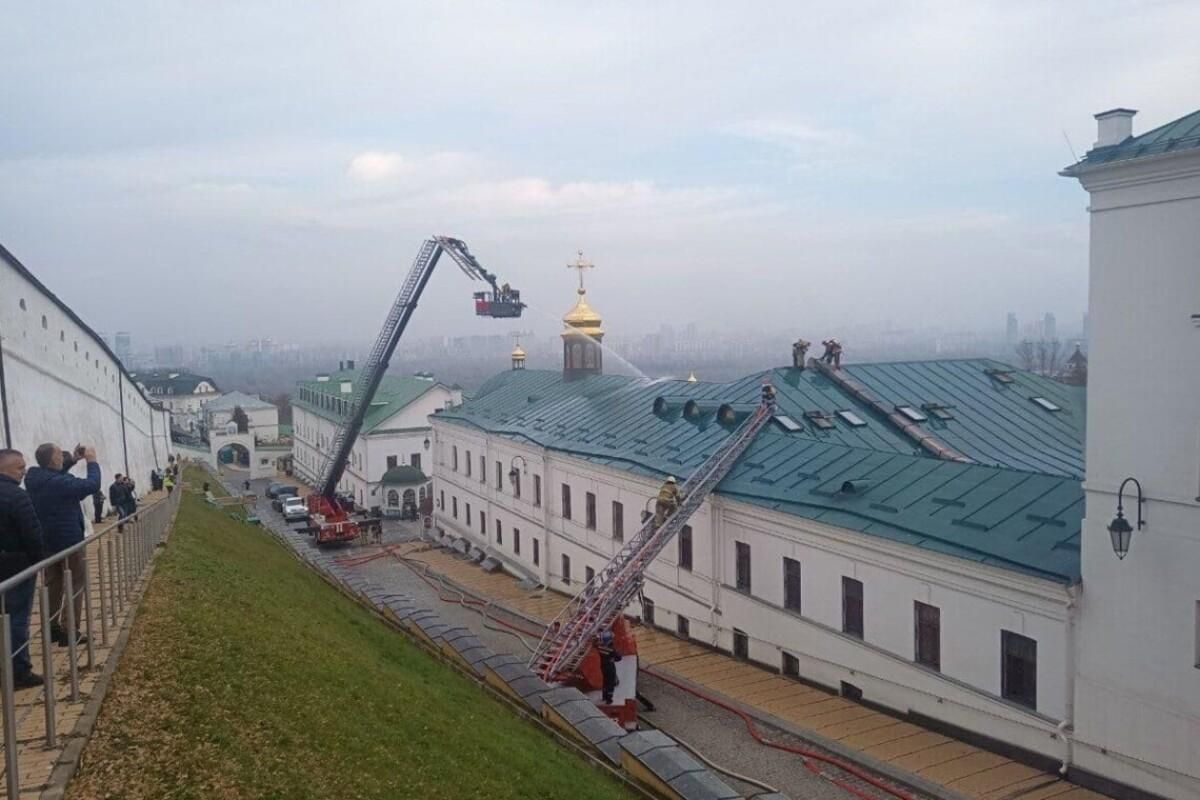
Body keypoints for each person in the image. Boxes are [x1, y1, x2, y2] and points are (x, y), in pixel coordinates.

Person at [25, 443, 101, 648]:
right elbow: (91, 485)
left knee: (53, 584)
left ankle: (52, 628)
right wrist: (92, 461)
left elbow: (55, 477)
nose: (63, 456)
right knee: (75, 582)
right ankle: (70, 630)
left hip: (47, 542)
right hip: (68, 541)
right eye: (60, 454)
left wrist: (73, 461)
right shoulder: (60, 483)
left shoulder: (34, 478)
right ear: (53, 460)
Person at [0, 449, 46, 688]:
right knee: (17, 620)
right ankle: (19, 671)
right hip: (17, 568)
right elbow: (32, 533)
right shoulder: (17, 496)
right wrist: (39, 561)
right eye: (19, 468)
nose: (23, 471)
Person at [595, 629, 621, 705]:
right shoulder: (611, 649)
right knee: (610, 682)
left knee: (605, 682)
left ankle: (604, 696)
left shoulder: (600, 647)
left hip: (603, 666)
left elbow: (595, 645)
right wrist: (613, 659)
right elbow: (619, 657)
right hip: (610, 667)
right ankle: (609, 699)